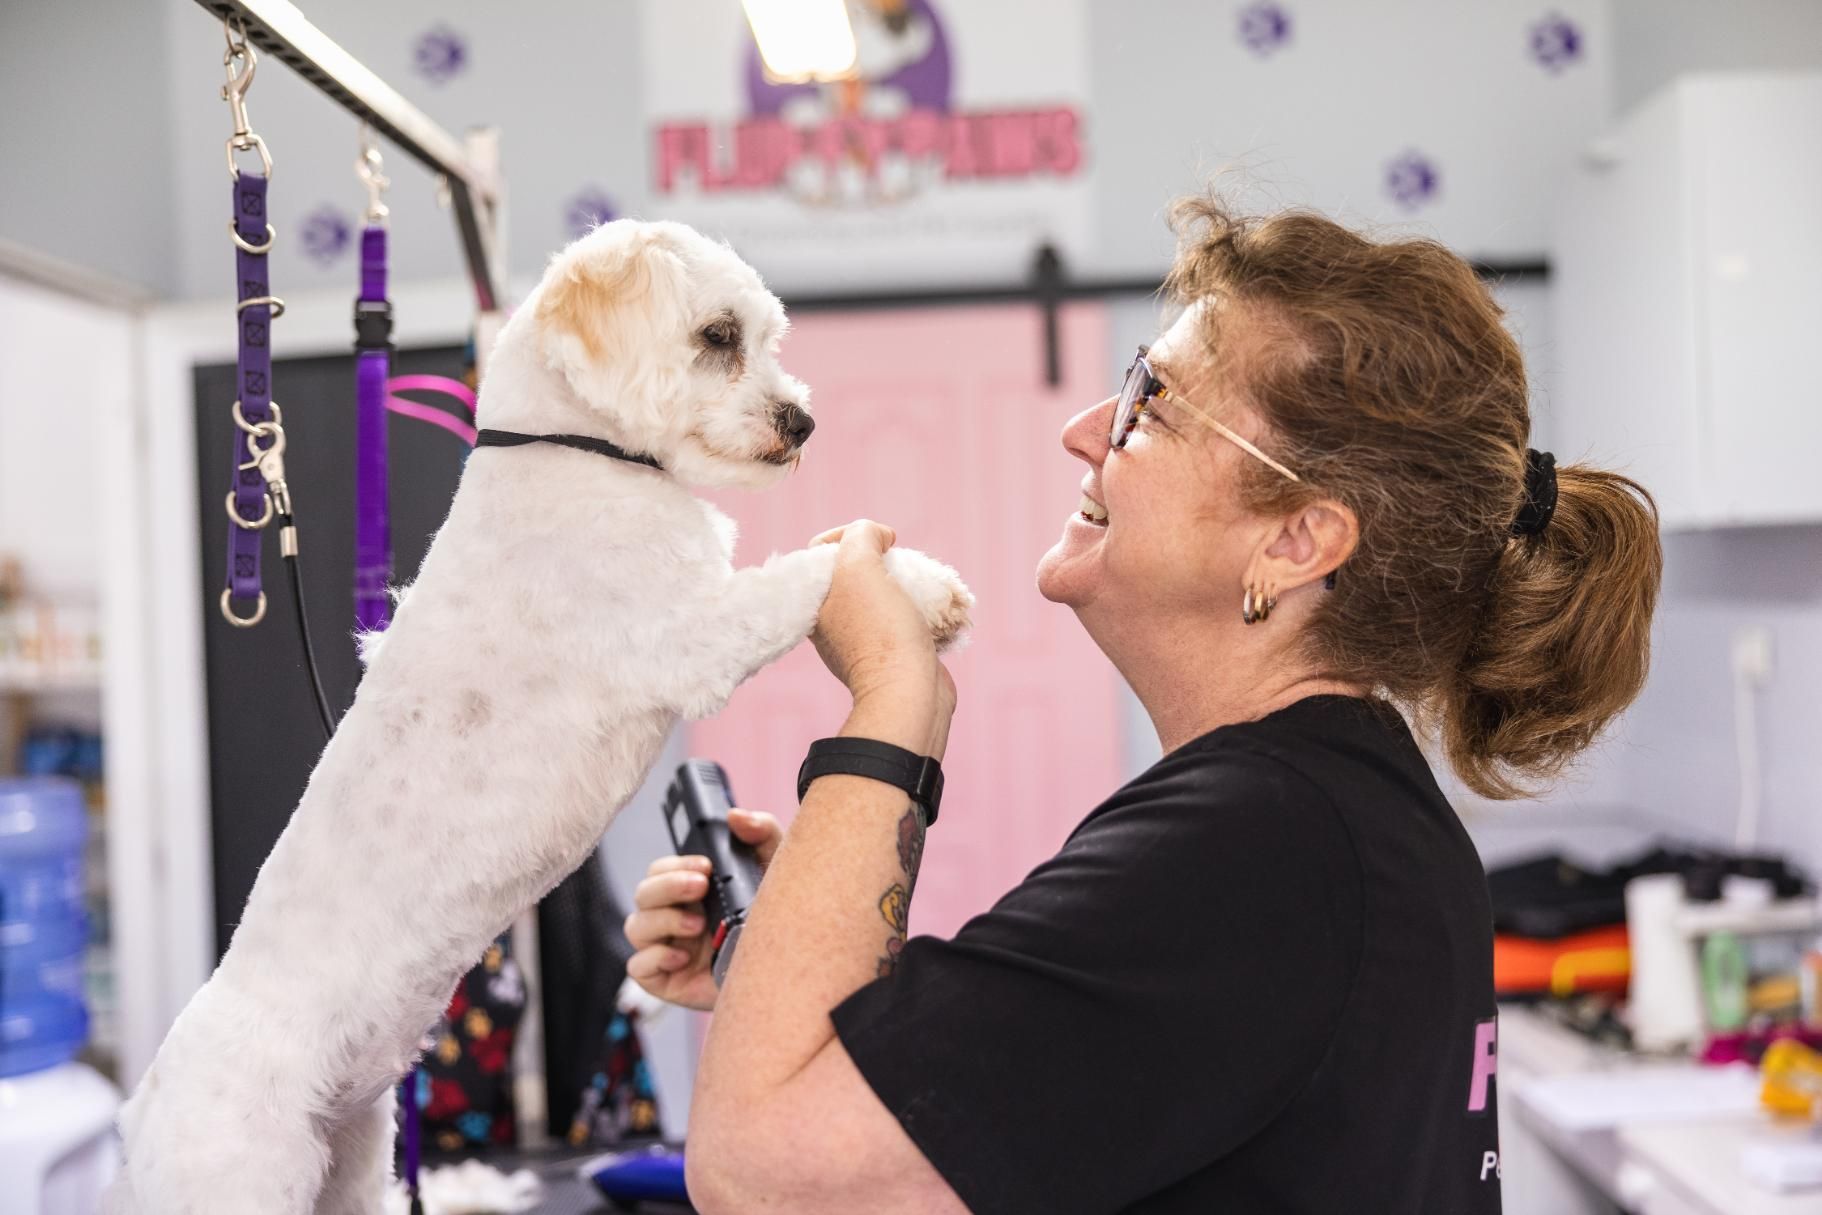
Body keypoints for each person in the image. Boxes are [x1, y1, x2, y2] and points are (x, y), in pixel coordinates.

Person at [622, 194, 1663, 1214]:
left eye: (1150, 403)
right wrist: (782, 953)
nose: (1084, 430)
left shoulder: (1258, 848)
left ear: (1295, 541)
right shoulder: (1330, 813)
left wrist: (893, 699)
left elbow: (763, 1176)